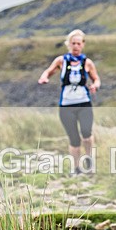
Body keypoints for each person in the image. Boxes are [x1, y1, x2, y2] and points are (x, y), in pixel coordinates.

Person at [38, 29, 101, 173]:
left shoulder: (87, 62)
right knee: (74, 138)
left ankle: (89, 160)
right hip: (66, 104)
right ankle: (76, 167)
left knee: (86, 132)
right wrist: (44, 77)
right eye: (73, 43)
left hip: (84, 102)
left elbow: (96, 78)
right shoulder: (61, 60)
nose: (76, 46)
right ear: (69, 44)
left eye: (78, 43)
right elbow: (48, 71)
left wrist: (95, 85)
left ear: (83, 44)